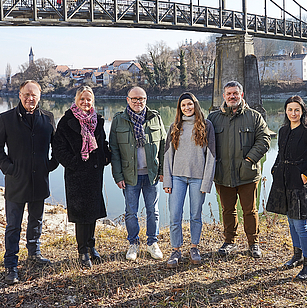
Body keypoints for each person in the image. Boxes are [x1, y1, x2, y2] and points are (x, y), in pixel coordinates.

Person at [0, 80, 59, 285]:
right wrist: (9, 169)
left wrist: (51, 165)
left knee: (36, 220)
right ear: (19, 95)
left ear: (39, 96)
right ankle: (11, 263)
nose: (30, 98)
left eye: (34, 95)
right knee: (13, 225)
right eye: (26, 94)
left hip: (40, 179)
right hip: (16, 181)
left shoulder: (48, 118)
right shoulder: (6, 118)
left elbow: (57, 146)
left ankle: (34, 253)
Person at [207, 81, 270, 259]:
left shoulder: (254, 116)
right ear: (224, 96)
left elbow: (264, 140)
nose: (232, 96)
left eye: (235, 93)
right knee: (228, 209)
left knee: (250, 210)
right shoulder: (213, 118)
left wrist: (249, 160)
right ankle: (229, 242)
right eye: (229, 94)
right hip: (223, 173)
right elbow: (204, 142)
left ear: (241, 95)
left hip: (247, 173)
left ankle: (253, 243)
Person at [266, 95, 307, 281]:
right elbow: (280, 153)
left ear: (302, 111)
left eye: (296, 110)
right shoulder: (283, 131)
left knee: (300, 224)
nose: (293, 113)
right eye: (290, 109)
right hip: (283, 179)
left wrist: (306, 175)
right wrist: (275, 169)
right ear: (285, 111)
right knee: (291, 222)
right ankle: (297, 257)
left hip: (300, 181)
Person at [53, 86, 111, 269]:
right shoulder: (66, 121)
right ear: (76, 100)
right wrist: (74, 163)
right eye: (82, 99)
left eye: (89, 100)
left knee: (92, 212)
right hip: (76, 174)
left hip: (94, 173)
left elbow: (103, 143)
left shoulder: (98, 120)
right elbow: (58, 149)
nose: (86, 103)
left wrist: (106, 157)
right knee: (80, 215)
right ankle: (82, 251)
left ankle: (91, 246)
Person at [109, 86, 166, 261]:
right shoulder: (119, 120)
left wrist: (163, 171)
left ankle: (152, 243)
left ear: (146, 100)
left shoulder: (155, 118)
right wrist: (118, 176)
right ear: (128, 100)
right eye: (134, 99)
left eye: (141, 98)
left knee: (153, 211)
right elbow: (114, 150)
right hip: (129, 175)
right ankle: (133, 243)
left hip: (152, 175)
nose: (137, 102)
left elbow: (164, 146)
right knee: (131, 212)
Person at [162, 92, 216, 268]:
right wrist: (167, 181)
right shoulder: (174, 127)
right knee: (174, 215)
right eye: (183, 105)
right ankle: (176, 250)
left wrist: (206, 182)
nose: (187, 108)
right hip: (177, 177)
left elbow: (211, 156)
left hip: (198, 178)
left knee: (195, 215)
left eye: (189, 104)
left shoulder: (206, 126)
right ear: (180, 108)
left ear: (195, 105)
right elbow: (167, 156)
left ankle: (194, 247)